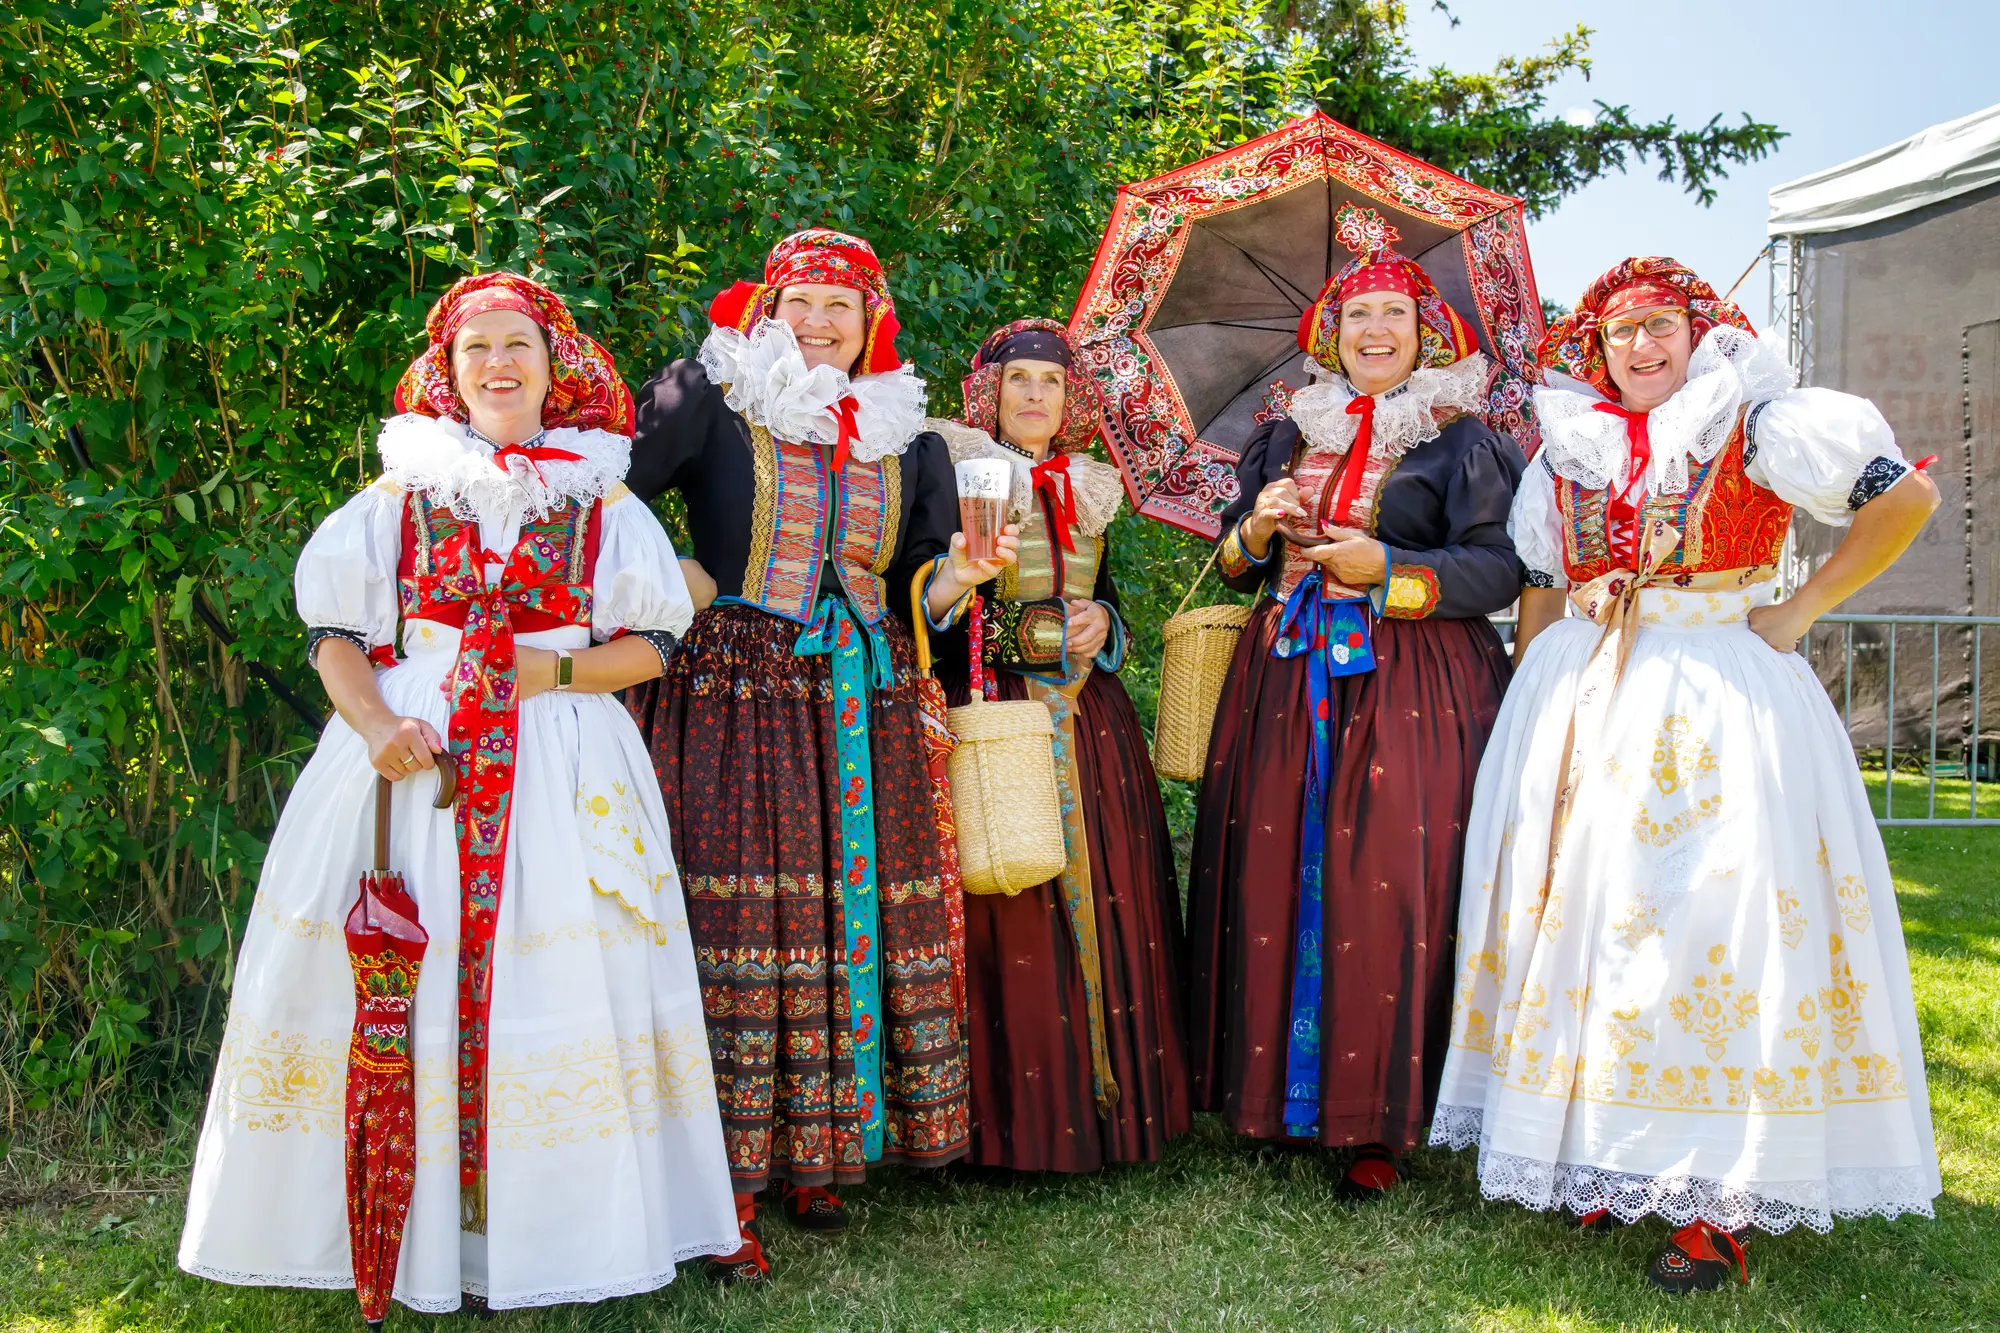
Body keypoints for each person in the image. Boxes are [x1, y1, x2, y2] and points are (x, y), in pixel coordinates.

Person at [178, 273, 739, 1315]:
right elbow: (336, 636)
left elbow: (652, 643)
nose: (496, 364)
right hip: (415, 760)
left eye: (515, 344)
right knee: (402, 978)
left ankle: (555, 1234)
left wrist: (550, 673)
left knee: (561, 979)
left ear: (552, 364)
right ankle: (402, 1230)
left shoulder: (600, 498)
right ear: (447, 372)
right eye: (474, 348)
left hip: (562, 755)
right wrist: (380, 726)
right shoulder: (400, 494)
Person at [1431, 256, 1943, 1291]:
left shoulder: (1756, 424)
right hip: (1584, 696)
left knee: (1711, 928)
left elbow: (1906, 501)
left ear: (1698, 335)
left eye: (1660, 326)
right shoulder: (1565, 452)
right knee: (1577, 924)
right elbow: (1539, 585)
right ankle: (1594, 1157)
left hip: (1718, 692)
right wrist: (1525, 696)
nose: (1641, 347)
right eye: (1620, 335)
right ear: (1597, 352)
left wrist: (1799, 611)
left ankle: (1719, 1192)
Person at [623, 229, 1012, 1281]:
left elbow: (921, 585)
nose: (822, 320)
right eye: (803, 300)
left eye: (843, 304)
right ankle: (724, 1188)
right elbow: (604, 502)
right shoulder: (707, 395)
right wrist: (677, 586)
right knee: (739, 918)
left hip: (864, 694)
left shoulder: (910, 441)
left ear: (872, 319)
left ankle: (818, 1149)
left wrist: (964, 574)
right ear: (766, 309)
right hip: (732, 693)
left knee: (848, 916)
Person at [1186, 206, 1526, 1197]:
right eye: (1357, 313)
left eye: (1393, 312)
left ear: (1427, 332)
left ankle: (1377, 1114)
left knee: (1386, 877)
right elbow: (1231, 562)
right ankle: (1275, 1096)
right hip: (1281, 674)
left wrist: (1388, 567)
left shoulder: (1462, 440)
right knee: (1274, 862)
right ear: (1328, 333)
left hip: (1414, 678)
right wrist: (1258, 522)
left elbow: (1499, 568)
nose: (1374, 329)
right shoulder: (1287, 428)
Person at [924, 318, 1192, 1172]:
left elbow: (1106, 599)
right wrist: (1039, 632)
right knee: (1009, 892)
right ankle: (1015, 1127)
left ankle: (1113, 1109)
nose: (1035, 394)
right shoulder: (955, 466)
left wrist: (1101, 619)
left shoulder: (1090, 483)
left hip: (1090, 718)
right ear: (990, 393)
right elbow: (927, 602)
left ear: (1070, 400)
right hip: (998, 711)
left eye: (1051, 381)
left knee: (1115, 891)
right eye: (1020, 380)